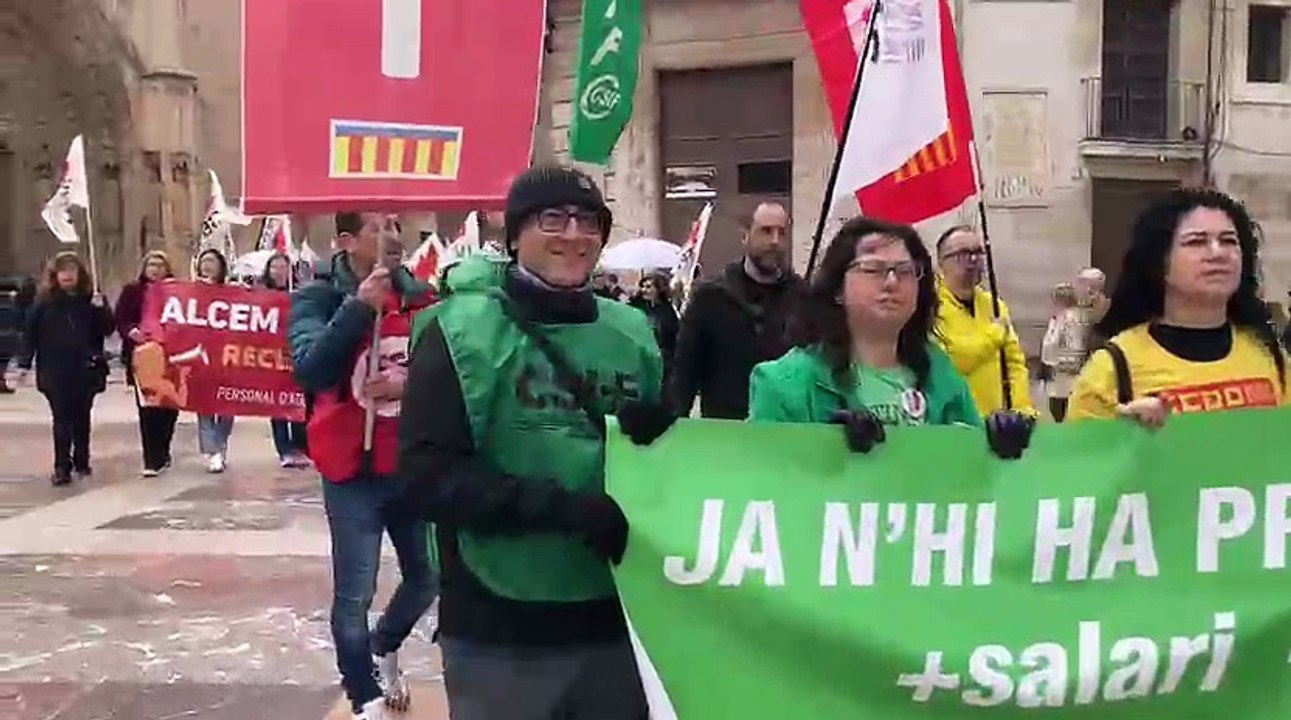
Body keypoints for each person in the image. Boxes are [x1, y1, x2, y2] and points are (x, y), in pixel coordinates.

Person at [399, 165, 671, 720]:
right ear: (516, 232)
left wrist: (662, 435)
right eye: (553, 218)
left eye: (589, 221)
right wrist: (561, 510)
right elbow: (426, 477)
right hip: (499, 624)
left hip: (615, 618)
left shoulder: (634, 332)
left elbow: (668, 471)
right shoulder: (457, 329)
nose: (574, 234)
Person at [289, 211, 438, 720]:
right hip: (351, 469)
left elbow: (453, 373)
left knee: (428, 576)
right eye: (377, 228)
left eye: (395, 225)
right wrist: (356, 311)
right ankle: (363, 693)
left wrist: (409, 386)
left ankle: (385, 643)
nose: (391, 236)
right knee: (355, 592)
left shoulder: (423, 298)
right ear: (346, 241)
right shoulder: (319, 297)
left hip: (410, 464)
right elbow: (309, 369)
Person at [747, 217, 1033, 458]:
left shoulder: (941, 374)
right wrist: (827, 452)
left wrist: (997, 446)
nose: (892, 282)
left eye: (906, 271)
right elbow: (767, 482)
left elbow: (972, 482)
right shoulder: (784, 384)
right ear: (837, 289)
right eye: (873, 269)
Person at [1069, 188, 1288, 425]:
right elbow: (1076, 459)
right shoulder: (1110, 368)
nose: (1218, 253)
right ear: (1159, 261)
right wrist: (1121, 438)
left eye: (1228, 241)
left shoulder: (1269, 355)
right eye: (1196, 242)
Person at [672, 201, 803, 419]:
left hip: (784, 430)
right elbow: (685, 374)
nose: (774, 241)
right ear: (745, 236)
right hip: (726, 432)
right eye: (766, 231)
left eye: (782, 233)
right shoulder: (710, 297)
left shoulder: (801, 297)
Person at [17, 252, 114, 485]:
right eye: (63, 271)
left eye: (72, 271)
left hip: (86, 368)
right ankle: (62, 465)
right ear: (55, 276)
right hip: (55, 368)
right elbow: (30, 334)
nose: (68, 276)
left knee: (82, 417)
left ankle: (82, 459)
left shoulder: (91, 301)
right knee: (61, 418)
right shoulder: (44, 304)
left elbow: (107, 329)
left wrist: (101, 309)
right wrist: (24, 364)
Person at [932, 226, 1035, 417]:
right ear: (941, 263)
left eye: (978, 253)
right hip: (955, 422)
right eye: (963, 254)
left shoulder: (994, 305)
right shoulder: (930, 308)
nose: (973, 261)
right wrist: (993, 335)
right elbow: (951, 363)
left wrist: (1022, 408)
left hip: (999, 422)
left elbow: (1014, 363)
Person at [116, 251, 180, 476]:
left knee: (169, 407)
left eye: (160, 265)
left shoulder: (176, 292)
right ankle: (151, 458)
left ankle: (162, 450)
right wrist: (131, 331)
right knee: (147, 407)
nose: (155, 269)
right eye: (151, 264)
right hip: (142, 357)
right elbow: (122, 318)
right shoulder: (132, 291)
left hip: (170, 357)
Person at [261, 252, 309, 468]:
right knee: (277, 405)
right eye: (275, 267)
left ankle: (301, 447)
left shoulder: (300, 293)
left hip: (295, 353)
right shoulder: (261, 294)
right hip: (271, 357)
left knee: (299, 401)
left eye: (283, 267)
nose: (279, 272)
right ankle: (284, 450)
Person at [193, 248, 236, 473]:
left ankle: (220, 442)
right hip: (201, 354)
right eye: (204, 261)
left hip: (227, 355)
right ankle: (212, 450)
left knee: (228, 404)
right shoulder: (190, 291)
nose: (207, 266)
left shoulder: (231, 292)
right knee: (204, 405)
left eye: (212, 261)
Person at [629, 272, 680, 382]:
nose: (644, 290)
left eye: (648, 287)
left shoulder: (667, 310)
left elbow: (673, 334)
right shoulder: (636, 307)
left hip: (663, 359)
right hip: (640, 358)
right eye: (642, 286)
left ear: (658, 289)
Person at [1040, 283, 1080, 422]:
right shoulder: (1056, 319)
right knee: (1055, 409)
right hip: (1054, 376)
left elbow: (1074, 347)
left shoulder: (1072, 320)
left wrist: (1060, 365)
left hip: (1066, 376)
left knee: (1062, 412)